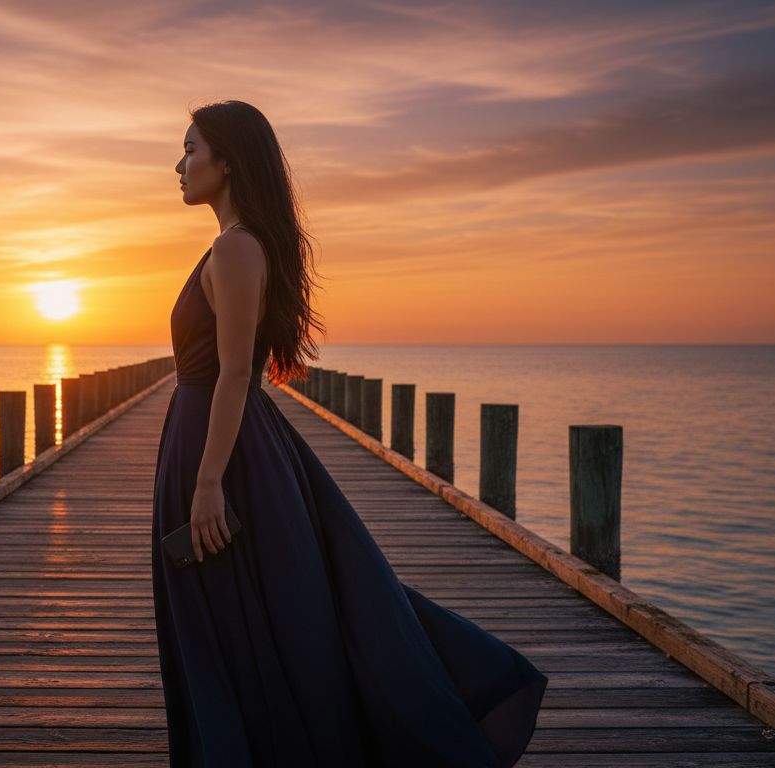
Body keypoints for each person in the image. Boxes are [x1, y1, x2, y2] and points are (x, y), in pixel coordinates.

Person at [151, 99, 548, 767]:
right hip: (212, 445)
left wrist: (210, 482)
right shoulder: (230, 248)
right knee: (235, 613)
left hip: (226, 455)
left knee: (254, 612)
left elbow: (236, 373)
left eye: (190, 149)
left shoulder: (237, 248)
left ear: (228, 160)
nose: (177, 165)